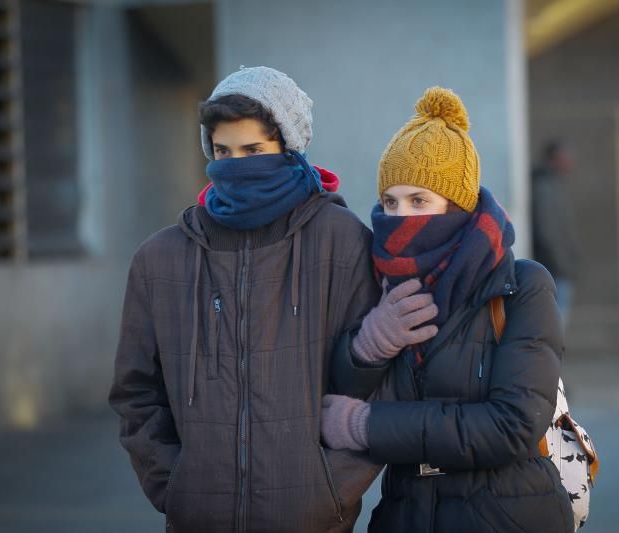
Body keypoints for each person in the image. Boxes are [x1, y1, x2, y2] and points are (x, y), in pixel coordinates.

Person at [108, 66, 434, 533]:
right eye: (223, 151)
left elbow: (384, 386)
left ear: (288, 148)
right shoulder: (160, 260)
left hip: (314, 519)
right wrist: (174, 484)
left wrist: (330, 489)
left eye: (254, 150)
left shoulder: (342, 244)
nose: (237, 165)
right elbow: (136, 391)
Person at [321, 87, 574, 532]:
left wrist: (366, 425)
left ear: (456, 205)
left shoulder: (521, 286)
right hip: (406, 514)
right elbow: (340, 390)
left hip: (506, 516)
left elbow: (511, 426)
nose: (400, 217)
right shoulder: (380, 284)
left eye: (420, 201)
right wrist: (368, 347)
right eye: (390, 202)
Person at [531, 140, 580, 327]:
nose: (570, 161)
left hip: (559, 267)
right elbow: (547, 230)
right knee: (553, 325)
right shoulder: (543, 186)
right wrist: (561, 263)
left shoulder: (554, 184)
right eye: (565, 157)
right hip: (553, 267)